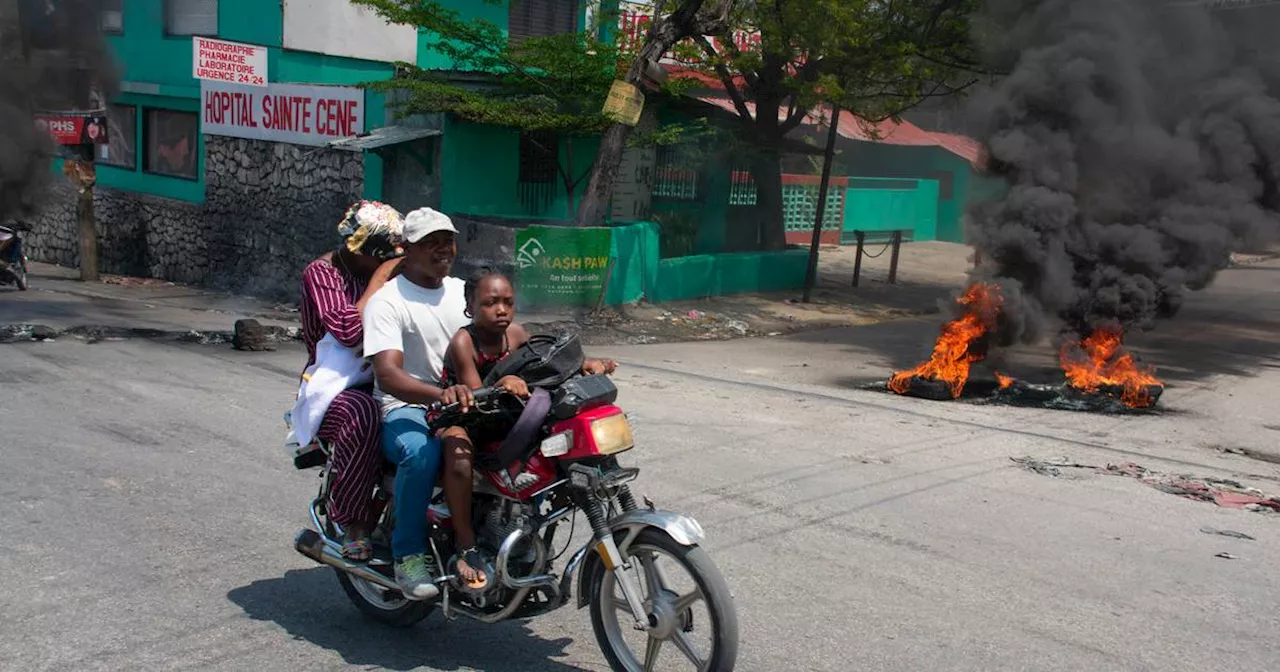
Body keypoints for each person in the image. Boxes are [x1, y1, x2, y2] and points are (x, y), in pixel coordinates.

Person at [436, 269, 618, 588]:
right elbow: (476, 393)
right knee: (458, 451)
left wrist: (585, 364)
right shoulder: (464, 341)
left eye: (508, 302)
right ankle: (467, 545)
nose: (501, 310)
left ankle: (527, 527)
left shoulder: (516, 334)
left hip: (508, 419)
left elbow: (545, 363)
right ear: (471, 306)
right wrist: (503, 381)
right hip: (465, 417)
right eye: (491, 302)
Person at [362, 207, 473, 600]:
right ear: (406, 249)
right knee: (420, 453)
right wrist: (439, 394)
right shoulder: (388, 302)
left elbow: (505, 333)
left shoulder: (463, 292)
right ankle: (407, 554)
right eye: (430, 242)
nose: (443, 249)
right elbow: (389, 375)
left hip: (465, 398)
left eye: (447, 240)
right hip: (405, 404)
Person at [299, 200, 405, 562]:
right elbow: (347, 330)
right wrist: (379, 279)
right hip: (334, 386)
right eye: (382, 258)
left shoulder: (390, 273)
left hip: (386, 372)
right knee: (362, 414)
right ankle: (353, 522)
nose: (389, 263)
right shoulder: (323, 273)